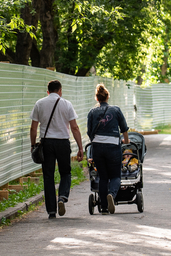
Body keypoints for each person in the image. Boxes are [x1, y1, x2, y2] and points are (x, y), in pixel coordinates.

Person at [30, 80, 84, 219]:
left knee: (48, 176)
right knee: (65, 172)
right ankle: (62, 197)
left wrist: (33, 145)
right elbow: (74, 127)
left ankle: (51, 211)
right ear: (60, 90)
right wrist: (80, 147)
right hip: (62, 143)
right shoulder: (66, 104)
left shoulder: (39, 104)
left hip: (46, 143)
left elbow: (33, 128)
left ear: (48, 91)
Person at [87, 84, 129, 214]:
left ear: (97, 98)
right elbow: (124, 129)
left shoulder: (92, 112)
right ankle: (112, 194)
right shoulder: (116, 110)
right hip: (113, 145)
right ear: (107, 96)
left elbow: (89, 132)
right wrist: (125, 142)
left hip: (97, 146)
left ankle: (104, 207)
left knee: (103, 177)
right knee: (116, 175)